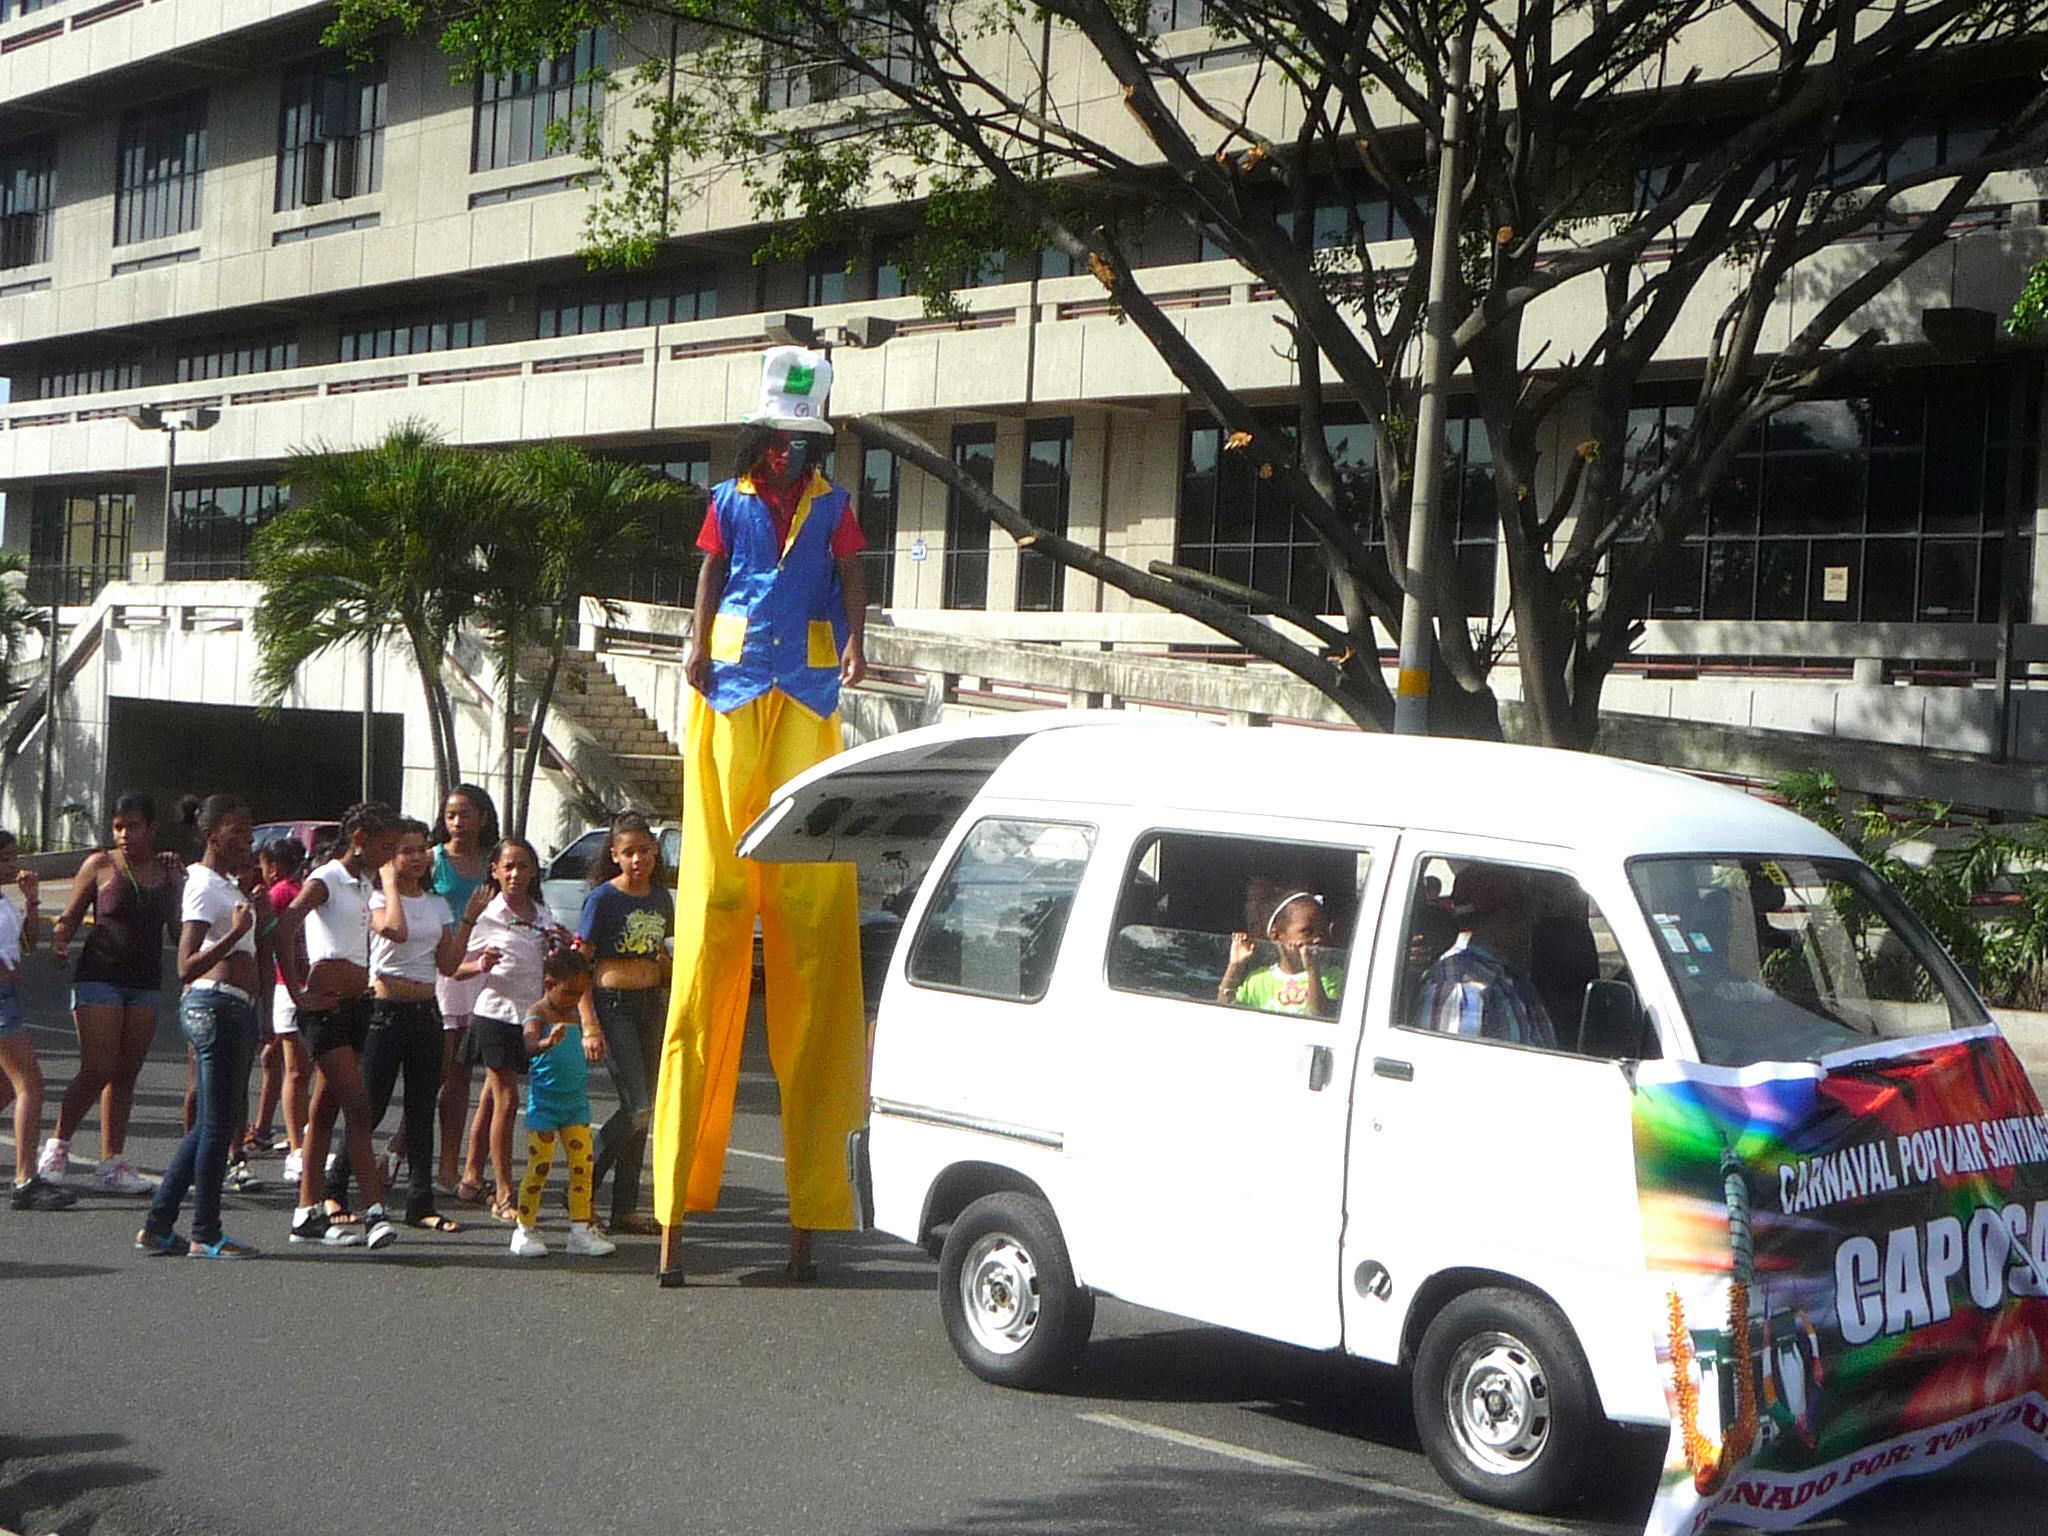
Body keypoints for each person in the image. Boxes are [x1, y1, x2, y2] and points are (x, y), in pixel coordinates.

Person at [655, 346, 871, 1287]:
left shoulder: (832, 501)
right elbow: (706, 576)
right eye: (780, 439)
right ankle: (674, 1201)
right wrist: (694, 644)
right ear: (761, 437)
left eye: (803, 440)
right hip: (735, 688)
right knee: (712, 913)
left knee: (815, 924)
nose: (790, 453)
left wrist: (860, 643)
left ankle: (817, 1207)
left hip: (810, 689)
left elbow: (853, 578)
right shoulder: (729, 497)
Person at [323, 818, 484, 1232]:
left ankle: (420, 1202)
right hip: (383, 1013)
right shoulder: (375, 899)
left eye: (420, 849)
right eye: (405, 850)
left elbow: (447, 965)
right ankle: (334, 1190)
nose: (416, 857)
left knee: (420, 1108)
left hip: (426, 1013)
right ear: (390, 857)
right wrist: (389, 883)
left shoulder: (436, 903)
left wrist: (467, 920)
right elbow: (394, 931)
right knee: (369, 1107)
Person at [136, 794, 270, 1259]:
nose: (248, 840)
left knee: (211, 1125)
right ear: (212, 835)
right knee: (216, 1126)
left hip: (235, 1009)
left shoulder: (228, 887)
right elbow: (185, 965)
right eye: (238, 832)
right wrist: (234, 935)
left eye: (250, 831)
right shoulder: (202, 884)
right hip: (214, 1007)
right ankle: (206, 1231)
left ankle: (157, 1226)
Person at [41, 793, 182, 1196]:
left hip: (144, 983)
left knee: (124, 1075)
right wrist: (59, 942)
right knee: (98, 1067)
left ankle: (113, 1160)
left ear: (151, 829)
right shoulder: (101, 865)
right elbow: (69, 916)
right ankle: (57, 1147)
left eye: (132, 826)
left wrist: (180, 885)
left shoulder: (166, 871)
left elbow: (175, 930)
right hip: (98, 976)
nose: (123, 835)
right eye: (118, 826)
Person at [277, 801, 403, 1249]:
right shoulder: (328, 878)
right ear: (360, 840)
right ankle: (374, 1213)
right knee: (359, 1105)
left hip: (355, 1007)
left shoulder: (365, 883)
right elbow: (285, 925)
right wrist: (298, 995)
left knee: (325, 1111)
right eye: (385, 846)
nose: (390, 856)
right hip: (324, 1010)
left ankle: (305, 1213)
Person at [460, 836, 574, 1224]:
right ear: (494, 870)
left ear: (533, 871)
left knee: (493, 1098)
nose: (514, 874)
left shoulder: (543, 915)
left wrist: (560, 948)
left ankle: (472, 1176)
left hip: (528, 1017)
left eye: (522, 866)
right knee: (507, 1100)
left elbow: (554, 967)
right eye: (507, 866)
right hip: (494, 1014)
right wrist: (480, 965)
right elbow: (453, 966)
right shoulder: (486, 916)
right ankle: (505, 1191)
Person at [580, 812, 674, 1235]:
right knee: (635, 1104)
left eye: (645, 850)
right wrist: (589, 1024)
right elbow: (579, 964)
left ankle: (624, 1208)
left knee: (644, 1110)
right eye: (630, 852)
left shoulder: (660, 898)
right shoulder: (602, 899)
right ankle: (581, 1194)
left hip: (650, 1005)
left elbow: (664, 950)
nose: (639, 859)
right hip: (613, 1004)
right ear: (616, 856)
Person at [509, 947, 616, 1259]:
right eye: (568, 992)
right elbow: (529, 1044)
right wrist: (545, 1042)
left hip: (576, 1105)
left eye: (580, 993)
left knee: (583, 1166)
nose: (573, 999)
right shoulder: (538, 1013)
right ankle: (525, 1228)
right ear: (548, 984)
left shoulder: (574, 1013)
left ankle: (580, 1229)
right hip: (545, 1106)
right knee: (539, 1167)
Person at [0, 831, 74, 1212]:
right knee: (30, 1083)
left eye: (13, 858)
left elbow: (28, 944)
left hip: (9, 997)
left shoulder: (4, 901)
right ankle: (26, 1179)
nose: (13, 866)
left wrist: (31, 901)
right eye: (5, 859)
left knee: (7, 1089)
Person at [431, 784, 499, 1203]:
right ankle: (443, 1164)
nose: (456, 823)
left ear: (483, 818)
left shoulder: (495, 863)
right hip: (448, 971)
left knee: (491, 1075)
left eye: (465, 814)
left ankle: (468, 1165)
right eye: (450, 814)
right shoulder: (434, 861)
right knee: (448, 1076)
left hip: (491, 969)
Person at [1413, 863, 1557, 1047]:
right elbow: (1451, 1068)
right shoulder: (1458, 983)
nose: (1531, 924)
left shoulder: (1510, 977)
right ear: (1505, 916)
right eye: (1526, 912)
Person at [250, 836, 309, 1174]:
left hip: (286, 985)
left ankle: (292, 1140)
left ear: (273, 867)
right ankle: (267, 1129)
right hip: (298, 981)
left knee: (293, 1069)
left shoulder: (280, 893)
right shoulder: (302, 889)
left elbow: (264, 934)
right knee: (275, 1058)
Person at [1218, 885, 1342, 1018]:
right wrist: (1235, 965)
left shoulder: (1332, 976)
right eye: (1307, 932)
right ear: (1276, 936)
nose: (1317, 938)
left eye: (1322, 931)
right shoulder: (1258, 980)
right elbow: (1225, 1011)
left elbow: (1321, 1016)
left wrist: (1313, 971)